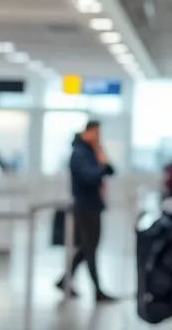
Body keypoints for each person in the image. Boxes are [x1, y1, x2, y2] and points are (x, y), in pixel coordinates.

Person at [57, 120, 116, 301]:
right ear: (87, 133)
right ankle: (97, 290)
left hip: (94, 205)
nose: (98, 137)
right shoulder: (79, 154)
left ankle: (64, 280)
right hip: (85, 206)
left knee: (87, 247)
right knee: (89, 247)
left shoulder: (92, 152)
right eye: (95, 133)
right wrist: (101, 166)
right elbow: (91, 176)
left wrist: (100, 152)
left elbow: (111, 170)